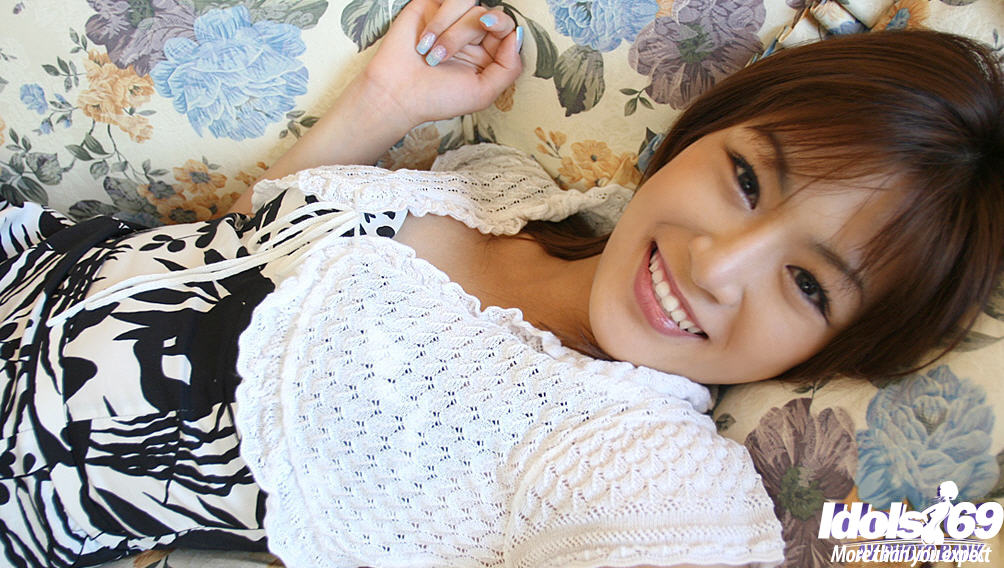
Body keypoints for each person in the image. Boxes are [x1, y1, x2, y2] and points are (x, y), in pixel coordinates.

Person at [0, 0, 1001, 566]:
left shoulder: (645, 473)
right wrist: (385, 101)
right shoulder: (518, 194)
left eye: (808, 285)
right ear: (703, 131)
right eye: (745, 179)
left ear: (836, 350)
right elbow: (244, 249)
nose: (715, 262)